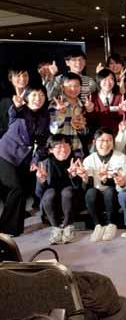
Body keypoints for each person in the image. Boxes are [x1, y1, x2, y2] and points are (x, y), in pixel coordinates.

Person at [0, 85, 49, 236]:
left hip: (24, 158)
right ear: (26, 97)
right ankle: (4, 227)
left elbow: (42, 142)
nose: (38, 99)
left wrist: (35, 160)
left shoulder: (44, 116)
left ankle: (15, 229)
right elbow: (12, 112)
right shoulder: (19, 110)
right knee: (17, 188)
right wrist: (16, 106)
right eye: (34, 95)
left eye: (41, 95)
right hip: (5, 154)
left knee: (21, 191)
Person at [81, 128, 126, 242]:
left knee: (109, 191)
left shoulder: (121, 157)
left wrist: (106, 180)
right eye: (101, 140)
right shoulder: (88, 160)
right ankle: (98, 226)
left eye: (109, 140)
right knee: (90, 192)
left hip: (113, 194)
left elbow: (123, 182)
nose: (105, 144)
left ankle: (111, 224)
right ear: (94, 142)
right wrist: (84, 178)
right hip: (96, 195)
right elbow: (88, 186)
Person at [35, 134, 82, 245]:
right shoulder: (44, 164)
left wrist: (74, 175)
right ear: (50, 150)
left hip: (71, 200)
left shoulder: (76, 161)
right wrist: (41, 180)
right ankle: (55, 227)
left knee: (67, 191)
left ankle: (68, 226)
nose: (63, 149)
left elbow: (80, 188)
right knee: (50, 192)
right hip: (52, 202)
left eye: (66, 145)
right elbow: (39, 194)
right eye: (59, 147)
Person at [49, 73, 88, 158]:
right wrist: (61, 114)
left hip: (77, 149)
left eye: (76, 86)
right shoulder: (56, 103)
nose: (73, 89)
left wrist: (81, 127)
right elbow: (53, 130)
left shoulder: (82, 105)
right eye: (69, 86)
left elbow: (84, 132)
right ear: (62, 87)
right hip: (60, 151)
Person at [84, 69, 126, 135]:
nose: (108, 82)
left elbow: (125, 119)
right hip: (97, 136)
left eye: (111, 79)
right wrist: (89, 110)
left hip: (116, 135)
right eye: (104, 79)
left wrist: (124, 110)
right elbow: (87, 121)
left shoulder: (120, 97)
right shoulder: (91, 98)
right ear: (99, 81)